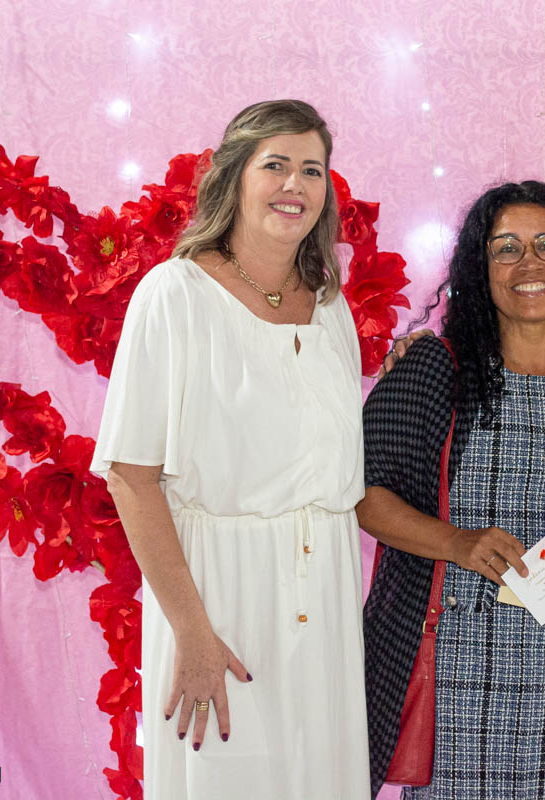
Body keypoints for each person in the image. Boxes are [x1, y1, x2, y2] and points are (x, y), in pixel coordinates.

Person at [92, 100, 369, 799]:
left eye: (312, 169)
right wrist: (191, 632)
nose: (295, 184)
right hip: (220, 601)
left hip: (325, 603)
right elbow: (131, 476)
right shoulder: (174, 294)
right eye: (275, 164)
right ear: (233, 176)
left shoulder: (330, 304)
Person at [358, 181, 545, 800]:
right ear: (480, 269)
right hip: (456, 672)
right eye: (506, 248)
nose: (529, 264)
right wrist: (457, 543)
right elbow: (365, 495)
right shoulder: (435, 370)